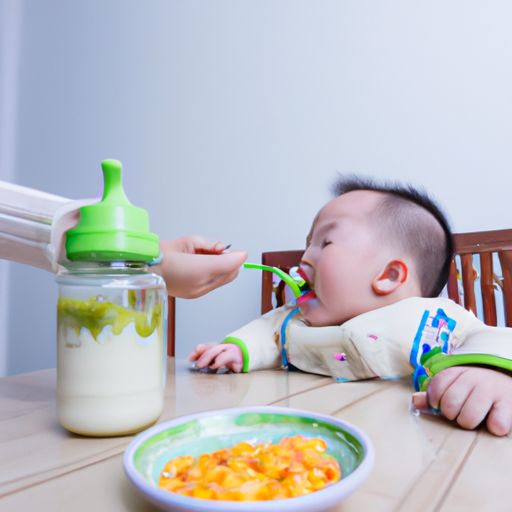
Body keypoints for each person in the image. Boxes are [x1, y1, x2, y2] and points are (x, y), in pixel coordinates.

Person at [189, 176, 512, 436]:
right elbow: (266, 332)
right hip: (308, 428)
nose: (304, 257)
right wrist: (237, 350)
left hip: (407, 438)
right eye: (308, 244)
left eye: (325, 242)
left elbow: (492, 336)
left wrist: (487, 370)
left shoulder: (430, 318)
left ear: (388, 276)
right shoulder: (295, 321)